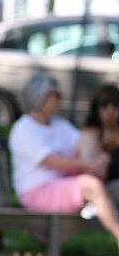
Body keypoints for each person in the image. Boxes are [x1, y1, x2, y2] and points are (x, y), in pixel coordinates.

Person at [8, 73, 119, 246]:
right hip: (37, 192)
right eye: (56, 94)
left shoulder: (59, 125)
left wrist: (102, 157)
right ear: (41, 97)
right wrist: (90, 164)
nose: (60, 99)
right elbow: (52, 161)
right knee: (92, 186)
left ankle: (98, 181)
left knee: (91, 145)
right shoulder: (23, 129)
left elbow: (83, 143)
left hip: (64, 185)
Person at [76, 84, 119, 183]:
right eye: (104, 103)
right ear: (96, 108)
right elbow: (93, 172)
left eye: (116, 103)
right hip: (103, 185)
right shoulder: (90, 134)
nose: (110, 109)